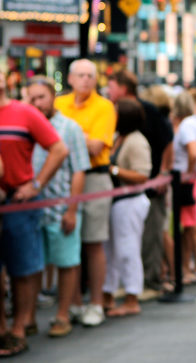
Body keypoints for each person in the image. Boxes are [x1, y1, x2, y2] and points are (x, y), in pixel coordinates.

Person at [0, 72, 68, 356]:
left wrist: (36, 183)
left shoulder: (24, 113)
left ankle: (20, 327)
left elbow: (58, 148)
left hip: (19, 200)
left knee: (24, 266)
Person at [55, 59, 116, 327]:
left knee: (93, 242)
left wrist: (68, 134)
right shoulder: (59, 104)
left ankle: (96, 303)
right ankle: (74, 304)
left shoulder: (104, 106)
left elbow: (95, 147)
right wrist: (81, 135)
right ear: (70, 78)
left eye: (90, 75)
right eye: (81, 75)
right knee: (70, 244)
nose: (86, 80)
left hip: (94, 179)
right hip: (64, 178)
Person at [27, 77, 90, 338]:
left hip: (59, 205)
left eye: (41, 97)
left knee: (66, 262)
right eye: (31, 98)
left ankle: (63, 314)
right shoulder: (24, 123)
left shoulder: (69, 128)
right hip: (29, 209)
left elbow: (79, 170)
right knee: (30, 266)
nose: (36, 103)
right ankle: (27, 317)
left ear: (53, 96)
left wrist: (72, 209)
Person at [107, 70, 174, 299]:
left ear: (123, 88)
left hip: (149, 185)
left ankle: (151, 282)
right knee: (132, 241)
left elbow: (168, 142)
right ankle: (133, 283)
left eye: (112, 86)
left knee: (152, 235)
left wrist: (163, 173)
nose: (108, 91)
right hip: (129, 191)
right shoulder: (121, 128)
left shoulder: (148, 112)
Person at [102, 98, 152, 317]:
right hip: (117, 202)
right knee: (111, 251)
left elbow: (142, 175)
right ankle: (108, 294)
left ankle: (132, 298)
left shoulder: (136, 141)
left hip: (130, 202)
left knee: (127, 250)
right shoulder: (118, 137)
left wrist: (113, 170)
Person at [171, 90, 196, 286]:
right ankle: (189, 267)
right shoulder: (195, 122)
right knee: (189, 226)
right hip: (193, 179)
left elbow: (193, 152)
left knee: (193, 226)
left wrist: (189, 173)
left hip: (189, 181)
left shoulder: (186, 125)